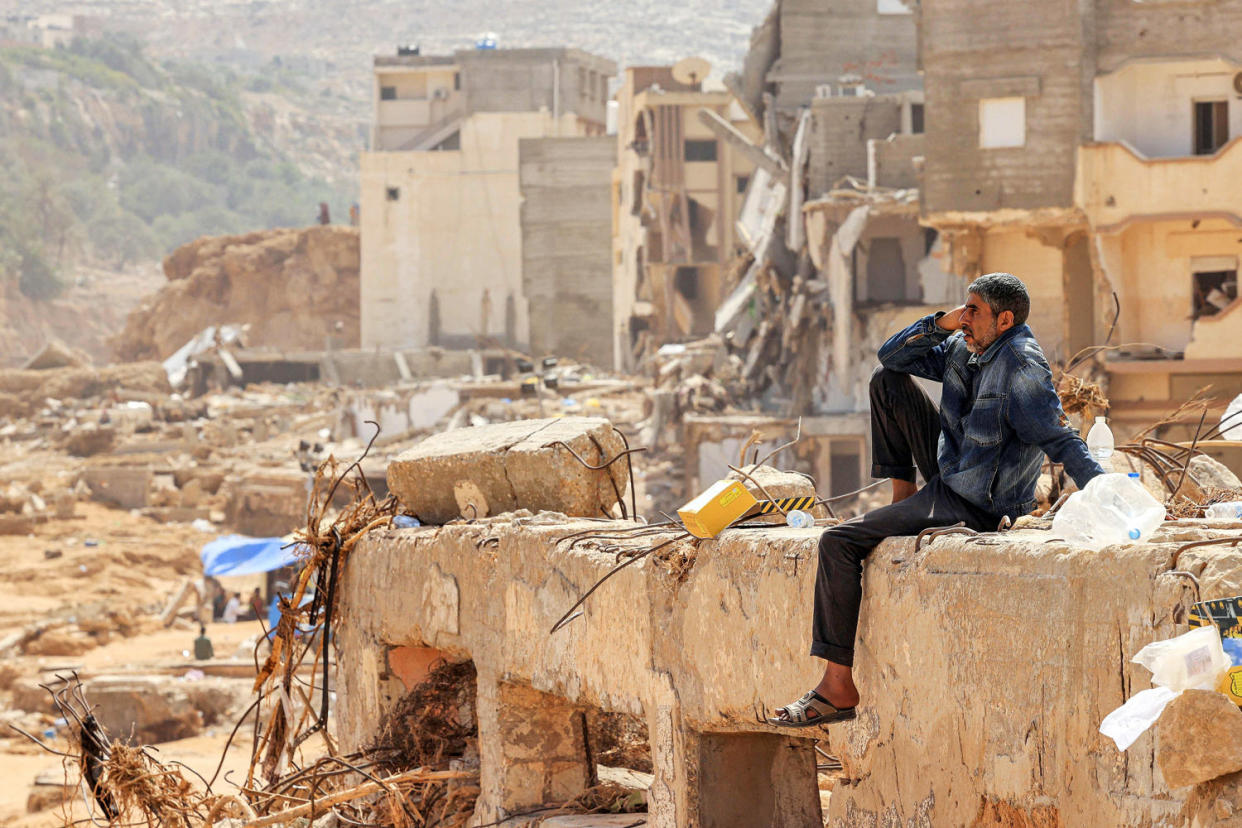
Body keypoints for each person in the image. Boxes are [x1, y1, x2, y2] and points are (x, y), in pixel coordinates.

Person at [770, 272, 1105, 727]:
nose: (965, 319)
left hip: (979, 504)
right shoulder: (965, 346)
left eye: (974, 312)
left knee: (838, 543)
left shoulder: (1023, 369)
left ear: (1004, 319)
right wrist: (940, 325)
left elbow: (1061, 439)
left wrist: (1108, 493)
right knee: (885, 380)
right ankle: (901, 498)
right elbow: (891, 355)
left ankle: (837, 689)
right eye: (963, 309)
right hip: (951, 472)